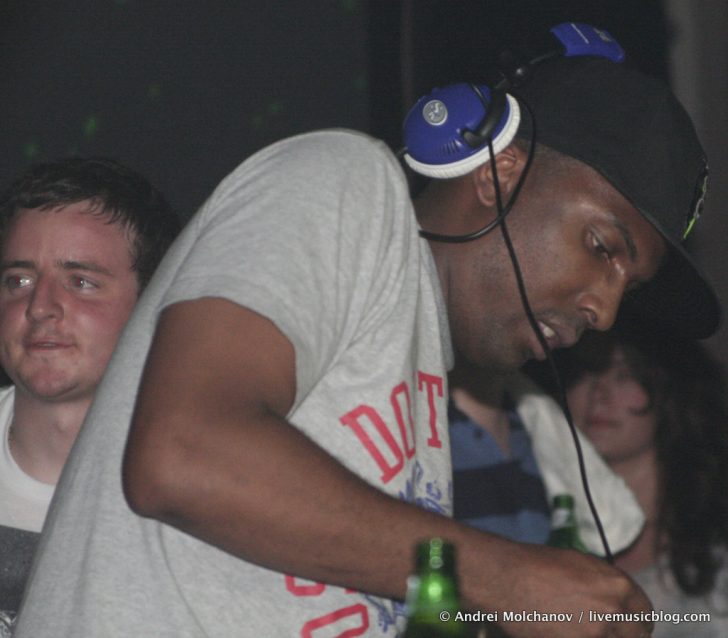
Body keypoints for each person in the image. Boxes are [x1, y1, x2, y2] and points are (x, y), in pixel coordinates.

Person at [15, 45, 721, 638]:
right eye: (601, 246)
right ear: (499, 172)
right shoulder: (343, 180)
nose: (604, 310)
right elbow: (183, 454)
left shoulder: (420, 377)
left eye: (628, 289)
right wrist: (503, 572)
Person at [0, 157, 181, 632]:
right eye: (18, 280)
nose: (40, 307)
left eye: (80, 282)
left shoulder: (203, 490)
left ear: (152, 304)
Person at [559, 326, 728, 637]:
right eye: (587, 372)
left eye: (624, 376)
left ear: (668, 390)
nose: (600, 393)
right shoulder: (545, 519)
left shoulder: (714, 530)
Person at [449, 355, 645, 553]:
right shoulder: (442, 438)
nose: (599, 393)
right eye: (583, 374)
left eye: (624, 376)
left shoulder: (541, 443)